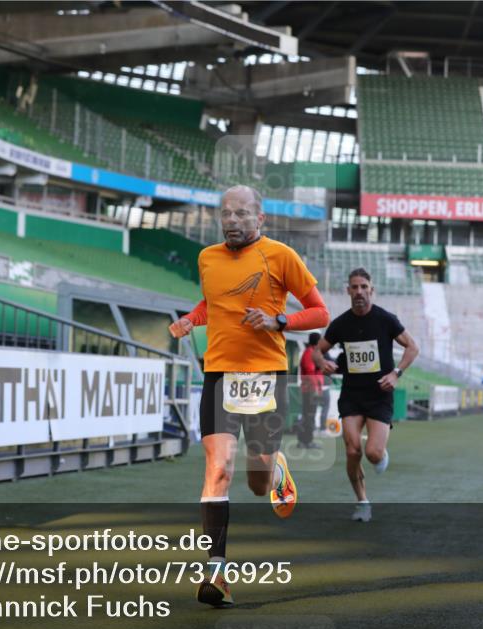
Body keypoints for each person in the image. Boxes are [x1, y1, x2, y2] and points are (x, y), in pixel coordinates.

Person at [168, 185, 329, 607]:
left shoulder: (281, 256)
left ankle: (274, 467)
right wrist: (190, 319)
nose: (232, 220)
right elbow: (212, 304)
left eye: (242, 214)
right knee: (218, 467)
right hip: (219, 373)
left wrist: (278, 320)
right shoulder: (207, 258)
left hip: (266, 376)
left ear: (260, 219)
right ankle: (215, 575)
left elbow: (319, 311)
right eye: (226, 213)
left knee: (257, 482)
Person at [312, 268, 419, 523]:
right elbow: (318, 350)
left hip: (379, 394)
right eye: (354, 287)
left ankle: (381, 454)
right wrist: (322, 362)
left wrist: (396, 373)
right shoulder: (341, 323)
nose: (359, 291)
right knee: (352, 451)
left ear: (372, 289)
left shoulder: (386, 319)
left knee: (372, 452)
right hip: (351, 395)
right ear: (348, 291)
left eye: (363, 287)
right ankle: (362, 502)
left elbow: (412, 348)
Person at [298, 333, 324, 449]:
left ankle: (304, 440)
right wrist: (316, 389)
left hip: (310, 389)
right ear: (317, 342)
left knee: (308, 415)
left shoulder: (311, 352)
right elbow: (310, 372)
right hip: (310, 390)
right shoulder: (310, 353)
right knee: (309, 416)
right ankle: (306, 441)